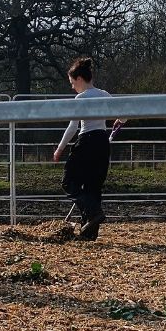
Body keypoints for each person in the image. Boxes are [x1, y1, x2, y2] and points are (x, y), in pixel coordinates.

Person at [53, 56, 112, 241]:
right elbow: (125, 115)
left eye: (72, 82)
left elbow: (73, 127)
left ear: (79, 79)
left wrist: (60, 148)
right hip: (103, 142)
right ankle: (89, 233)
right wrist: (120, 120)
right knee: (94, 186)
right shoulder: (104, 94)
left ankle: (94, 212)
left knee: (68, 181)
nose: (72, 87)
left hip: (86, 141)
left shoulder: (81, 97)